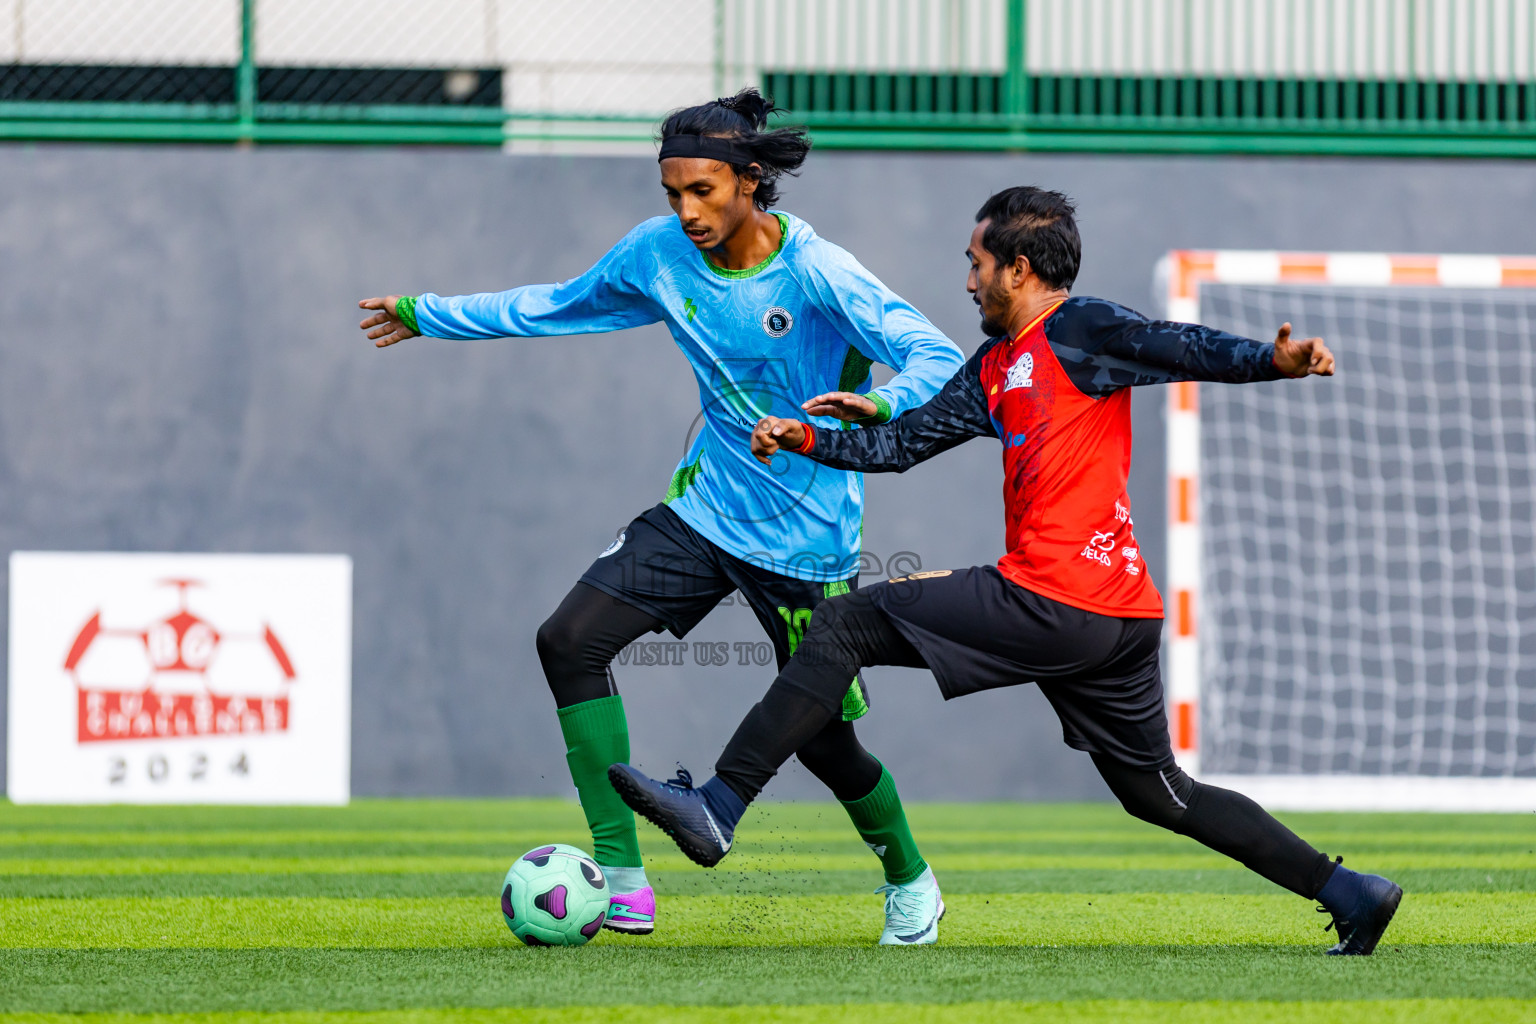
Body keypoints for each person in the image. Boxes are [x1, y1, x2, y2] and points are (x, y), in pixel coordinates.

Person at [608, 185, 1404, 956]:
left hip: (1056, 598)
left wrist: (1271, 360)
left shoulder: (1081, 328)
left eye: (976, 262)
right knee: (1160, 796)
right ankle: (1351, 893)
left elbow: (1176, 344)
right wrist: (808, 437)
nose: (967, 279)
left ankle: (719, 804)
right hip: (1116, 618)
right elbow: (901, 445)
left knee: (843, 622)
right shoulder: (994, 367)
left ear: (1018, 268)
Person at [357, 88, 964, 944]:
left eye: (703, 192)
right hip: (705, 513)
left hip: (807, 544)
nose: (684, 212)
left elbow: (937, 357)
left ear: (751, 182)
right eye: (672, 193)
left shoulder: (820, 273)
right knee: (567, 640)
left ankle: (910, 879)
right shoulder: (658, 254)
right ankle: (626, 876)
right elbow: (554, 305)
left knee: (827, 745)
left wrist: (880, 405)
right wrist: (428, 314)